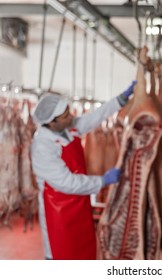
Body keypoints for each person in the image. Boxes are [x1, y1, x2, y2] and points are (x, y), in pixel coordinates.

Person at [31, 81, 136, 260]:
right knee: (62, 257)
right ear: (51, 122)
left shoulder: (67, 129)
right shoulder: (43, 146)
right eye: (65, 116)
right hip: (58, 213)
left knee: (84, 254)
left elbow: (95, 117)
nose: (71, 117)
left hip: (79, 205)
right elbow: (67, 183)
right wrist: (103, 181)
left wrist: (121, 99)